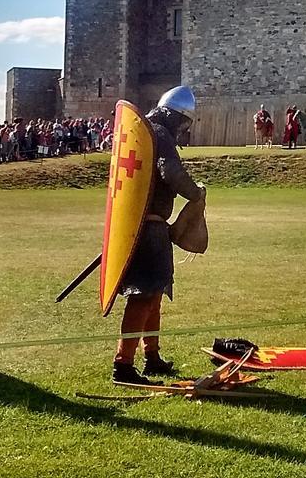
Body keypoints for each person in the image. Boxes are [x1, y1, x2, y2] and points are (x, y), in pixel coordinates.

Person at [112, 85, 206, 386]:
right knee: (143, 296)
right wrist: (196, 193)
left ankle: (151, 357)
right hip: (148, 226)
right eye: (183, 122)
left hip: (149, 226)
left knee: (154, 295)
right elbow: (171, 173)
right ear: (175, 116)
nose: (182, 129)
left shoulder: (145, 131)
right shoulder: (158, 133)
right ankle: (123, 365)